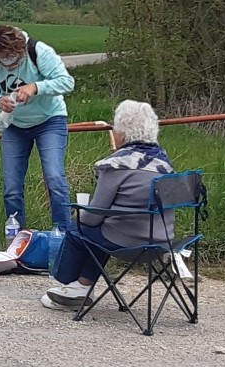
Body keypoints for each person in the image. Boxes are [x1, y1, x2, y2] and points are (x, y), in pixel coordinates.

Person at [40, 101, 173, 310]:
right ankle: (83, 285)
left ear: (122, 132)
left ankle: (71, 288)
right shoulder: (165, 165)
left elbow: (93, 216)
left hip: (126, 242)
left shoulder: (115, 165)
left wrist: (81, 217)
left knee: (81, 228)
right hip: (163, 241)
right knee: (104, 230)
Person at [0, 24, 76, 232]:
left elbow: (67, 82)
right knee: (12, 188)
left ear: (20, 50)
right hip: (14, 126)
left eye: (11, 57)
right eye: (1, 57)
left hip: (49, 120)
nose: (7, 62)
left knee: (54, 178)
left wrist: (36, 87)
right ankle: (17, 239)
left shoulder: (39, 51)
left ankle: (64, 236)